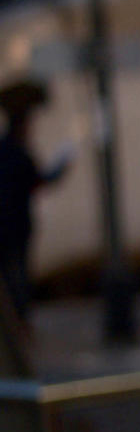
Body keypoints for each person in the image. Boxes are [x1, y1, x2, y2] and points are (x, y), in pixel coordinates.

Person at [0, 81, 70, 323]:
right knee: (17, 281)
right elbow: (38, 182)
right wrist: (61, 167)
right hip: (15, 227)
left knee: (12, 281)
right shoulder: (17, 152)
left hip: (11, 226)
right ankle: (19, 326)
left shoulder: (7, 149)